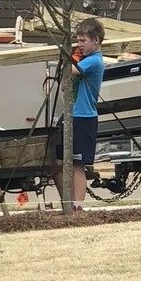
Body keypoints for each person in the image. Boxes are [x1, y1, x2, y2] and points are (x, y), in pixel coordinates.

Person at [53, 17, 105, 211]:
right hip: (69, 114)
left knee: (77, 165)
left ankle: (77, 207)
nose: (79, 45)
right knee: (56, 163)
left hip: (83, 117)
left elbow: (70, 71)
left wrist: (71, 56)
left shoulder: (94, 61)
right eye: (78, 40)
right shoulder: (84, 57)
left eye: (83, 41)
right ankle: (67, 203)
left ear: (96, 40)